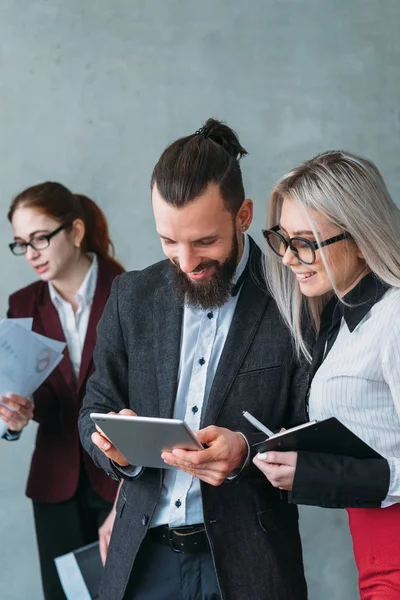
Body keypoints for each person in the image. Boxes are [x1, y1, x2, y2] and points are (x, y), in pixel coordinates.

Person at [79, 119, 309, 600]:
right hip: (142, 559)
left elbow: (316, 426)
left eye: (204, 241)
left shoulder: (297, 299)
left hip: (251, 564)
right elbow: (93, 405)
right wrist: (110, 446)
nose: (185, 261)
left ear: (243, 215)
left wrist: (245, 451)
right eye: (168, 241)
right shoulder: (131, 296)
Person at [254, 150, 400, 600]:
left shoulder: (394, 316)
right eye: (283, 238)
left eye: (307, 240)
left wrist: (316, 473)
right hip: (375, 552)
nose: (290, 258)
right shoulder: (335, 318)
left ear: (360, 236)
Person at [5, 182, 124, 600]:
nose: (32, 253)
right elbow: (30, 392)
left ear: (74, 231)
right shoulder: (21, 305)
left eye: (40, 238)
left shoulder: (130, 290)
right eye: (21, 244)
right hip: (55, 481)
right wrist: (16, 418)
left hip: (121, 476)